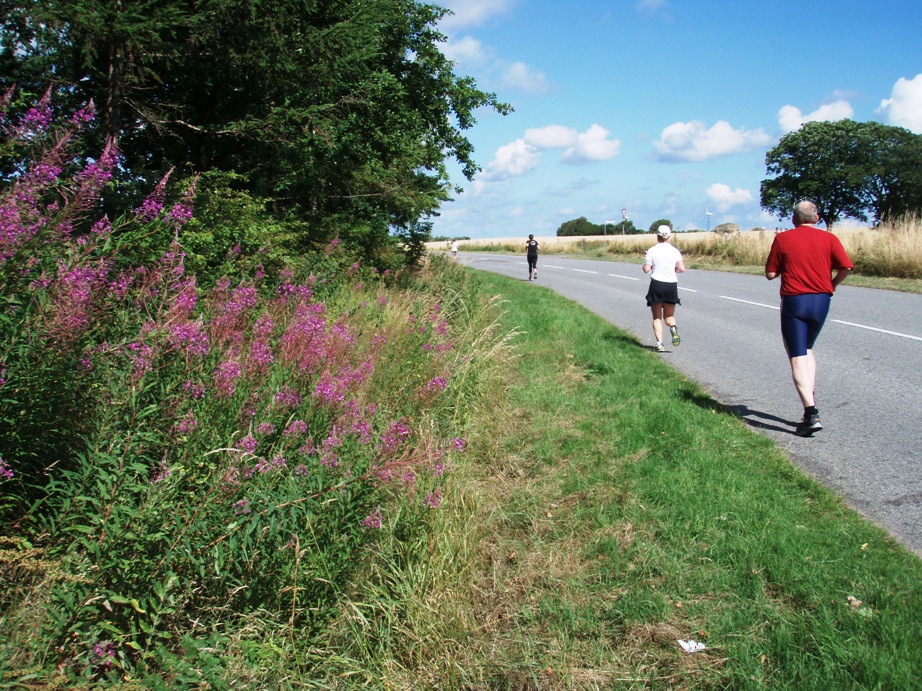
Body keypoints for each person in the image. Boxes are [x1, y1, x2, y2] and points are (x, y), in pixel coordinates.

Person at [765, 200, 853, 436]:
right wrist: (831, 286)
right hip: (822, 300)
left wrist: (788, 263)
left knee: (796, 357)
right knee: (808, 348)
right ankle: (809, 397)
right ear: (816, 218)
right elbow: (846, 267)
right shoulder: (829, 239)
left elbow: (771, 274)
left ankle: (811, 412)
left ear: (793, 219)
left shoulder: (783, 239)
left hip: (795, 301)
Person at [642, 224, 685, 352]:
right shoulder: (675, 251)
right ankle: (672, 327)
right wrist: (674, 269)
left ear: (657, 236)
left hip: (657, 284)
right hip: (671, 284)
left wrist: (645, 263)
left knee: (656, 317)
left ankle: (659, 344)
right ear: (669, 236)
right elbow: (682, 268)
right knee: (669, 316)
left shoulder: (652, 250)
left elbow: (646, 269)